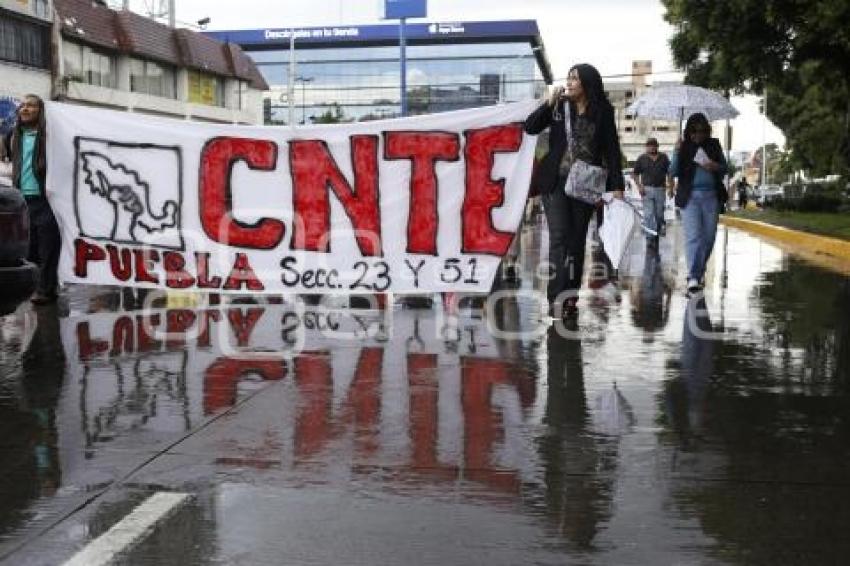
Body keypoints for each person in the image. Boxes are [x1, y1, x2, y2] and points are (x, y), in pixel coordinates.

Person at [524, 64, 625, 317]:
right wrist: (548, 103)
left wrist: (617, 187)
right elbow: (530, 127)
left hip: (586, 184)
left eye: (575, 79)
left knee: (576, 240)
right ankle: (555, 298)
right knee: (559, 238)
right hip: (556, 182)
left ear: (588, 84)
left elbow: (611, 149)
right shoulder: (559, 106)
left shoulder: (602, 111)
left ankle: (570, 297)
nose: (569, 82)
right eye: (568, 77)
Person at [9, 94, 60, 304]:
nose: (25, 109)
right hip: (23, 199)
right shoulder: (15, 135)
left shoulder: (50, 135)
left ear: (40, 111)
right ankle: (37, 286)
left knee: (48, 247)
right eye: (22, 105)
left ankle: (47, 290)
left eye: (31, 105)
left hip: (46, 199)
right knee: (30, 248)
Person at [670, 113, 727, 294]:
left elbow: (726, 168)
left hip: (711, 197)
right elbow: (673, 172)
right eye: (694, 131)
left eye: (702, 131)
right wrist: (676, 152)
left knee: (709, 238)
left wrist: (714, 165)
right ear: (689, 131)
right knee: (694, 237)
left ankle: (698, 272)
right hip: (690, 197)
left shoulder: (714, 145)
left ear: (707, 131)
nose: (698, 135)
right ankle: (693, 277)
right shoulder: (684, 146)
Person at [632, 137, 670, 241]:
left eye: (654, 145)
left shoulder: (664, 157)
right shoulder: (641, 158)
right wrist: (639, 186)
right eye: (649, 145)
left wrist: (671, 186)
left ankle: (659, 228)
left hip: (660, 189)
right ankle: (650, 236)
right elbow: (635, 174)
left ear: (657, 146)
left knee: (659, 213)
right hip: (646, 189)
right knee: (648, 213)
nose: (652, 147)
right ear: (646, 147)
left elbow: (669, 172)